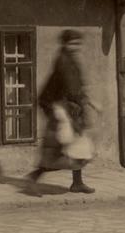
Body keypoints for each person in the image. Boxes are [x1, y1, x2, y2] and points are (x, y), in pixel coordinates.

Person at [28, 29, 97, 194]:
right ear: (65, 43)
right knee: (59, 147)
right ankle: (33, 178)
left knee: (78, 145)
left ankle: (77, 183)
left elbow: (78, 85)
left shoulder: (71, 59)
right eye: (73, 43)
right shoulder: (63, 61)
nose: (76, 46)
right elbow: (71, 87)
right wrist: (88, 101)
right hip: (59, 107)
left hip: (68, 107)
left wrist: (86, 101)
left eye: (78, 43)